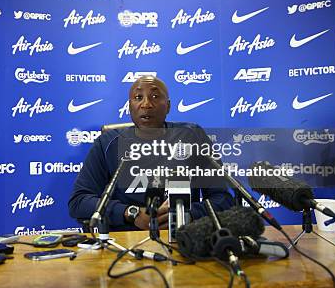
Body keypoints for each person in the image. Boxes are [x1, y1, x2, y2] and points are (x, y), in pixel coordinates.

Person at [68, 76, 235, 231]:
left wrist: (187, 215)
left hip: (184, 237)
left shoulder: (192, 136)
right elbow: (79, 201)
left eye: (155, 97)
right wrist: (130, 213)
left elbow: (223, 199)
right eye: (138, 97)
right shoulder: (108, 143)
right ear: (129, 106)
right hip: (126, 243)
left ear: (168, 105)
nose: (146, 104)